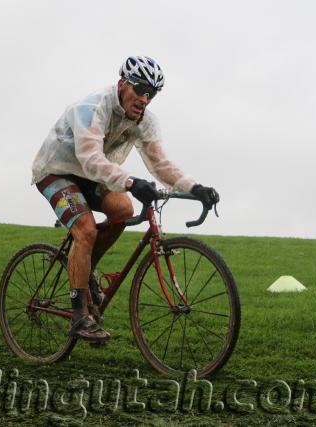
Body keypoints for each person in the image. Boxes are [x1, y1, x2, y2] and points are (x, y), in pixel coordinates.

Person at [31, 55, 219, 343]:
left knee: (123, 209)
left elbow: (161, 164)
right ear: (122, 84)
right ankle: (80, 316)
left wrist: (195, 187)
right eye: (140, 89)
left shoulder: (144, 121)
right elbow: (90, 158)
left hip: (93, 177)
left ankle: (85, 267)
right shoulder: (92, 108)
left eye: (152, 93)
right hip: (56, 171)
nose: (145, 98)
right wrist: (130, 181)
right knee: (86, 230)